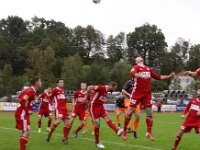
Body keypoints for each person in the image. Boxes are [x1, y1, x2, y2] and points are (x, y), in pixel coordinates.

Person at [118, 56, 175, 141]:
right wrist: (140, 76)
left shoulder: (148, 69)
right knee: (129, 112)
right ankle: (125, 131)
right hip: (136, 93)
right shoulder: (136, 67)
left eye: (137, 58)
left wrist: (169, 76)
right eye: (136, 59)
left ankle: (149, 133)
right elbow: (133, 73)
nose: (136, 59)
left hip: (147, 94)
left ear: (141, 60)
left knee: (149, 113)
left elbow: (157, 77)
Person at [83, 82, 121, 149]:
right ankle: (97, 143)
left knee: (107, 118)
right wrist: (86, 98)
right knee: (97, 125)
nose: (114, 90)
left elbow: (100, 97)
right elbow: (89, 87)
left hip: (100, 107)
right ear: (111, 85)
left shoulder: (107, 91)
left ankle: (117, 131)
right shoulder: (101, 87)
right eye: (114, 88)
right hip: (93, 106)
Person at [15, 76, 42, 150]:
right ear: (36, 83)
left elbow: (20, 96)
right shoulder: (31, 91)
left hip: (22, 113)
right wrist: (27, 110)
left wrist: (32, 100)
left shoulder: (30, 90)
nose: (41, 83)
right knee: (27, 131)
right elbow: (21, 100)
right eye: (40, 81)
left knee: (25, 132)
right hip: (23, 114)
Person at [47, 79, 70, 144]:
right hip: (59, 108)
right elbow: (49, 98)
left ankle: (65, 138)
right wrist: (52, 105)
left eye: (63, 82)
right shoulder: (54, 90)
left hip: (65, 109)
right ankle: (49, 134)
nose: (62, 83)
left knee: (67, 124)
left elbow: (62, 99)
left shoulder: (62, 90)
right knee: (58, 121)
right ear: (58, 84)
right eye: (61, 82)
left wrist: (66, 98)